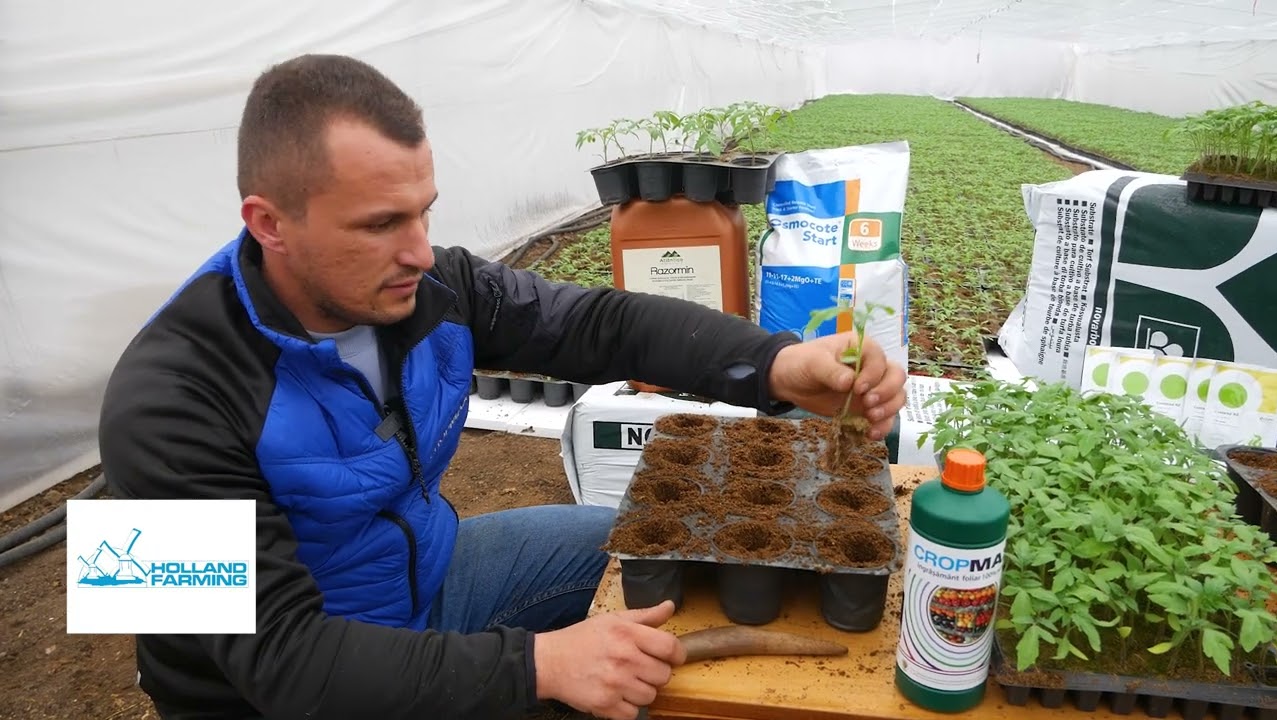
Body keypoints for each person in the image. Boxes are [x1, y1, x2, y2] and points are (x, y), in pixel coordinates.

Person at [98, 53, 908, 720]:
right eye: (381, 223)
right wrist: (535, 667)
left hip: (431, 575)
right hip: (272, 692)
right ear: (268, 223)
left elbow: (599, 325)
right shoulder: (165, 402)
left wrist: (773, 365)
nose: (420, 250)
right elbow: (281, 661)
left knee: (661, 560)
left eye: (425, 212)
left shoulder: (423, 288)